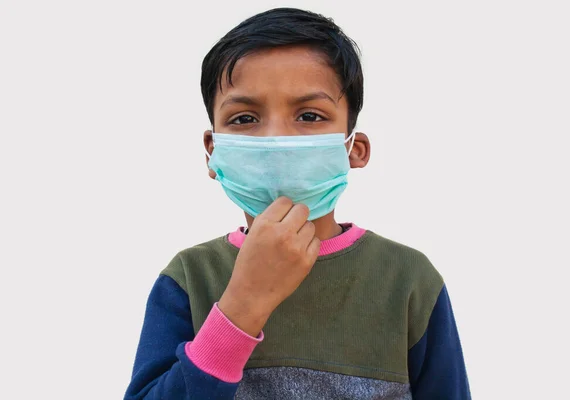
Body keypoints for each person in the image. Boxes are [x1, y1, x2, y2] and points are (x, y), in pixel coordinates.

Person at [124, 7, 471, 400]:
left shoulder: (409, 281)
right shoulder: (188, 279)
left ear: (353, 149)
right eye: (243, 119)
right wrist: (241, 306)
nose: (276, 141)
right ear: (212, 151)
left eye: (309, 115)